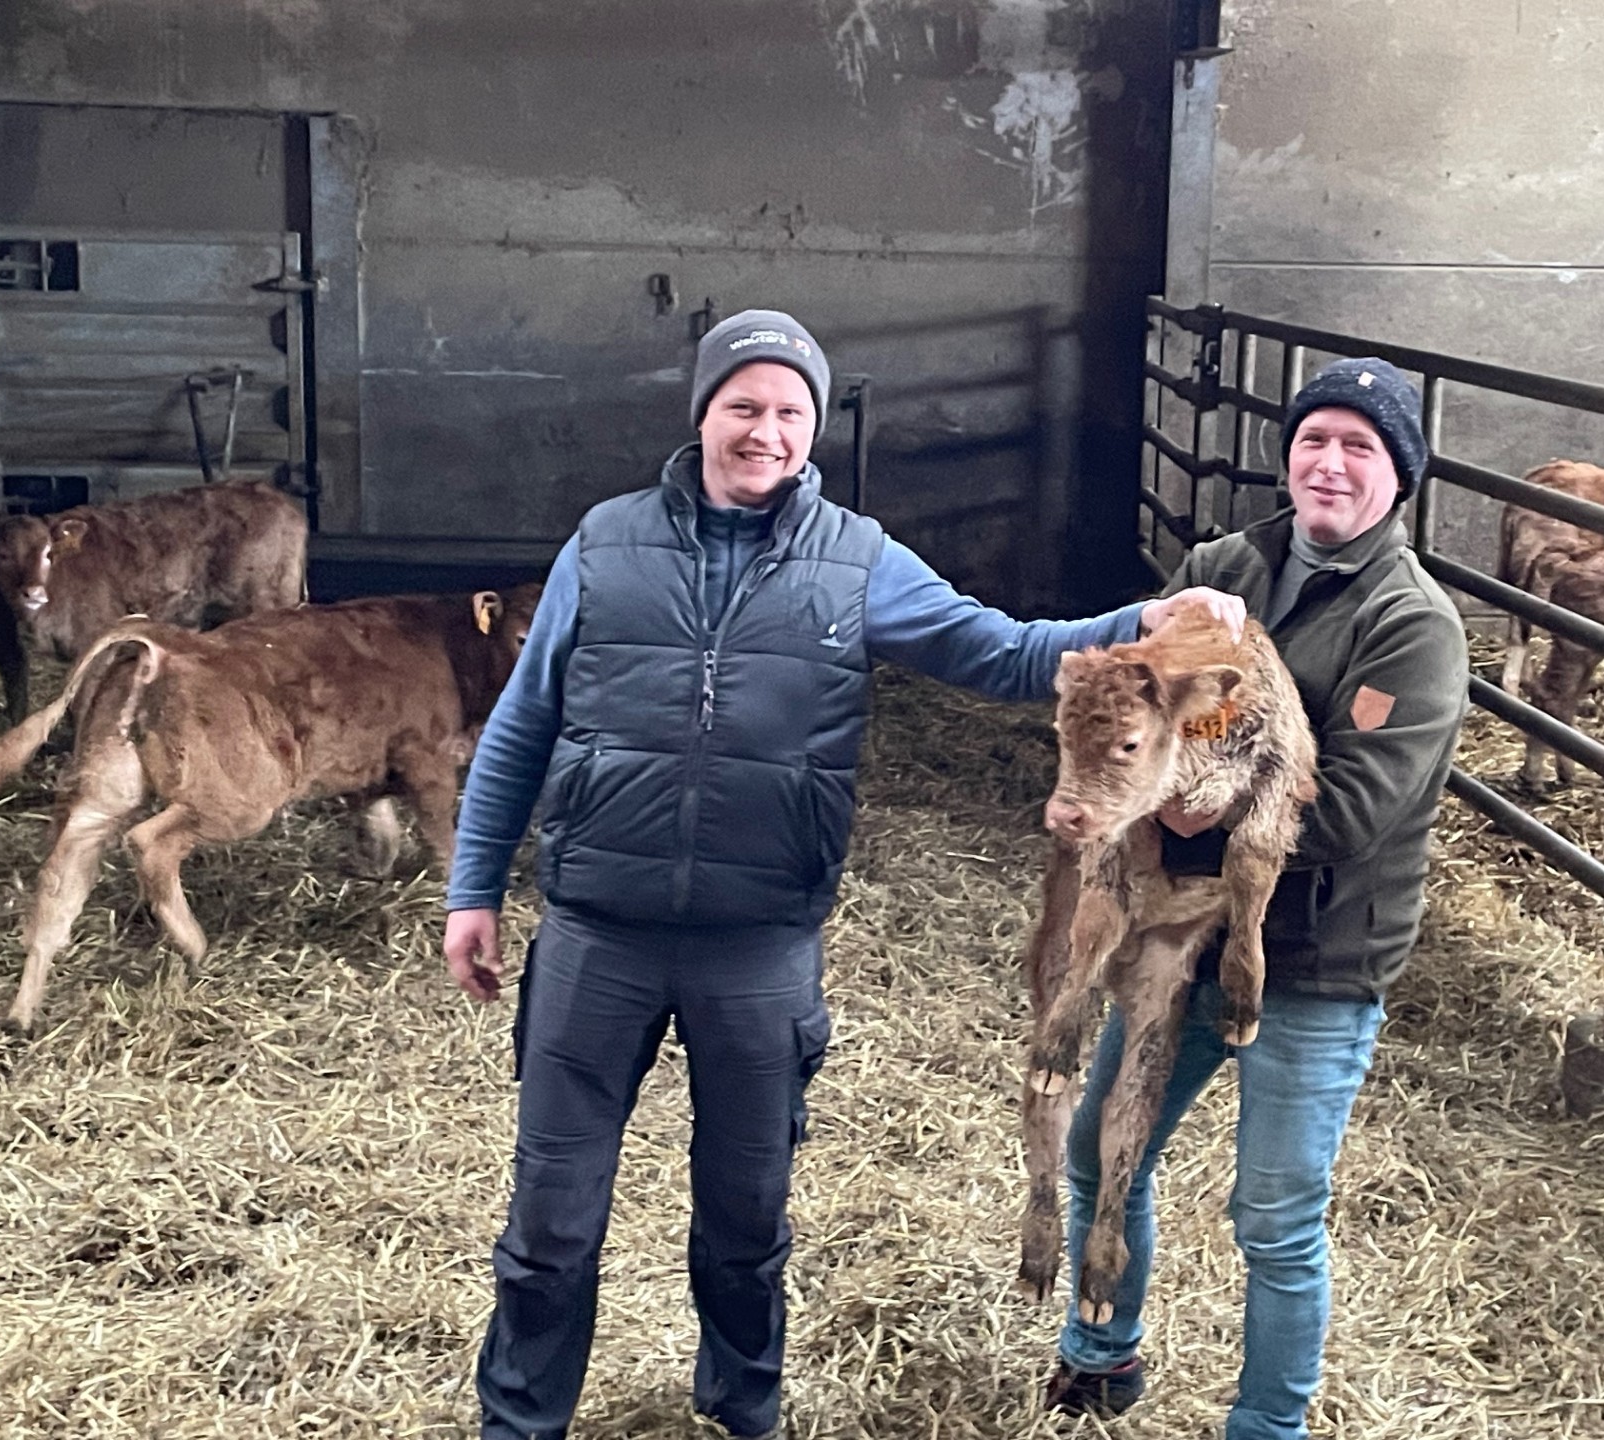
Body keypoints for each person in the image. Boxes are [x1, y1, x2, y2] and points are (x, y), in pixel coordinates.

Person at [442, 308, 1246, 1440]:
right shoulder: (605, 543)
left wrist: (1145, 620)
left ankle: (741, 1410)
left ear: (811, 428)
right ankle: (520, 1423)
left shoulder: (856, 559)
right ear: (703, 413)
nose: (764, 432)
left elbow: (1000, 649)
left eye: (789, 412)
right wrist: (472, 888)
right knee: (551, 1221)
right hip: (596, 934)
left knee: (745, 1220)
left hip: (759, 943)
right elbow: (524, 722)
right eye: (743, 406)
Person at [1043, 357, 1470, 1439]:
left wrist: (1175, 809)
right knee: (1102, 1150)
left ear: (1400, 476)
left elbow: (1352, 811)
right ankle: (1100, 1357)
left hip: (1317, 953)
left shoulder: (1411, 625)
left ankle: (1268, 1424)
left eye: (1360, 447)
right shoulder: (1221, 568)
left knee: (1274, 1213)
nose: (1330, 463)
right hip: (1179, 931)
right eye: (1314, 439)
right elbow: (1149, 715)